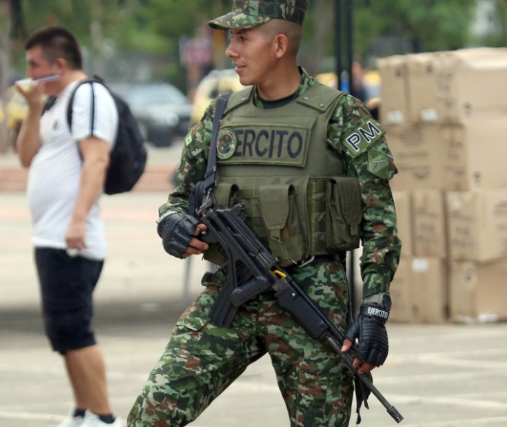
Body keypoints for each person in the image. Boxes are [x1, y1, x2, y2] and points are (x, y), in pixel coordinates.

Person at [127, 1, 400, 426]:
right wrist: (174, 225)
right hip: (230, 292)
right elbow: (178, 197)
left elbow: (380, 221)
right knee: (151, 416)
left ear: (278, 44)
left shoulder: (341, 115)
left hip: (311, 296)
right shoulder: (221, 116)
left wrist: (375, 308)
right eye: (231, 39)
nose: (231, 51)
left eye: (241, 38)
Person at [15, 26, 123, 427]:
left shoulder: (88, 96)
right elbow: (27, 157)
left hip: (73, 239)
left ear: (58, 64)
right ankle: (82, 413)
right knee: (61, 332)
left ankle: (105, 418)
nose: (27, 72)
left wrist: (77, 220)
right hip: (50, 236)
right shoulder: (54, 104)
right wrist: (31, 108)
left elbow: (96, 160)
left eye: (34, 64)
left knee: (74, 328)